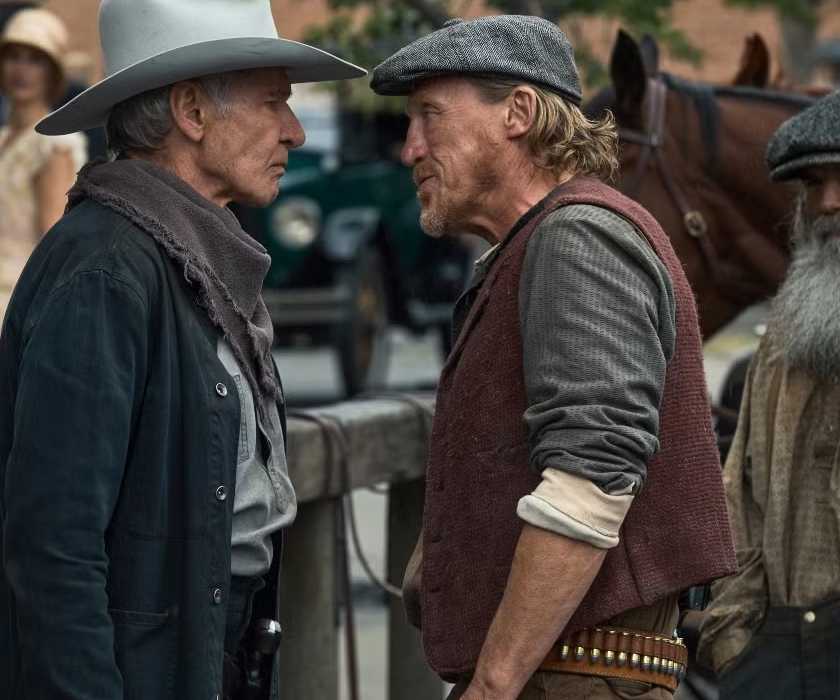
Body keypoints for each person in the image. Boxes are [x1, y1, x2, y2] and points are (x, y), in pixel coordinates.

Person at [0, 0, 363, 698]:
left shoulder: (186, 258)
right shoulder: (106, 270)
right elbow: (54, 547)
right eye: (273, 103)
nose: (292, 130)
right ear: (192, 113)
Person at [370, 15, 736, 700]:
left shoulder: (579, 238)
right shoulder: (544, 241)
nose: (410, 148)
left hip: (575, 679)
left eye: (430, 117)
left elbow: (591, 477)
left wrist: (494, 684)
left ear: (520, 111)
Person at [698, 90, 840, 700]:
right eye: (816, 184)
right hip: (778, 656)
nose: (831, 203)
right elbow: (739, 491)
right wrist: (734, 641)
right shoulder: (787, 329)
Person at [0, 6, 86, 321]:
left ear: (52, 71)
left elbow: (54, 245)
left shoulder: (54, 145)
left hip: (15, 305)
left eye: (35, 59)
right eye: (14, 56)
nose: (21, 69)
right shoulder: (4, 138)